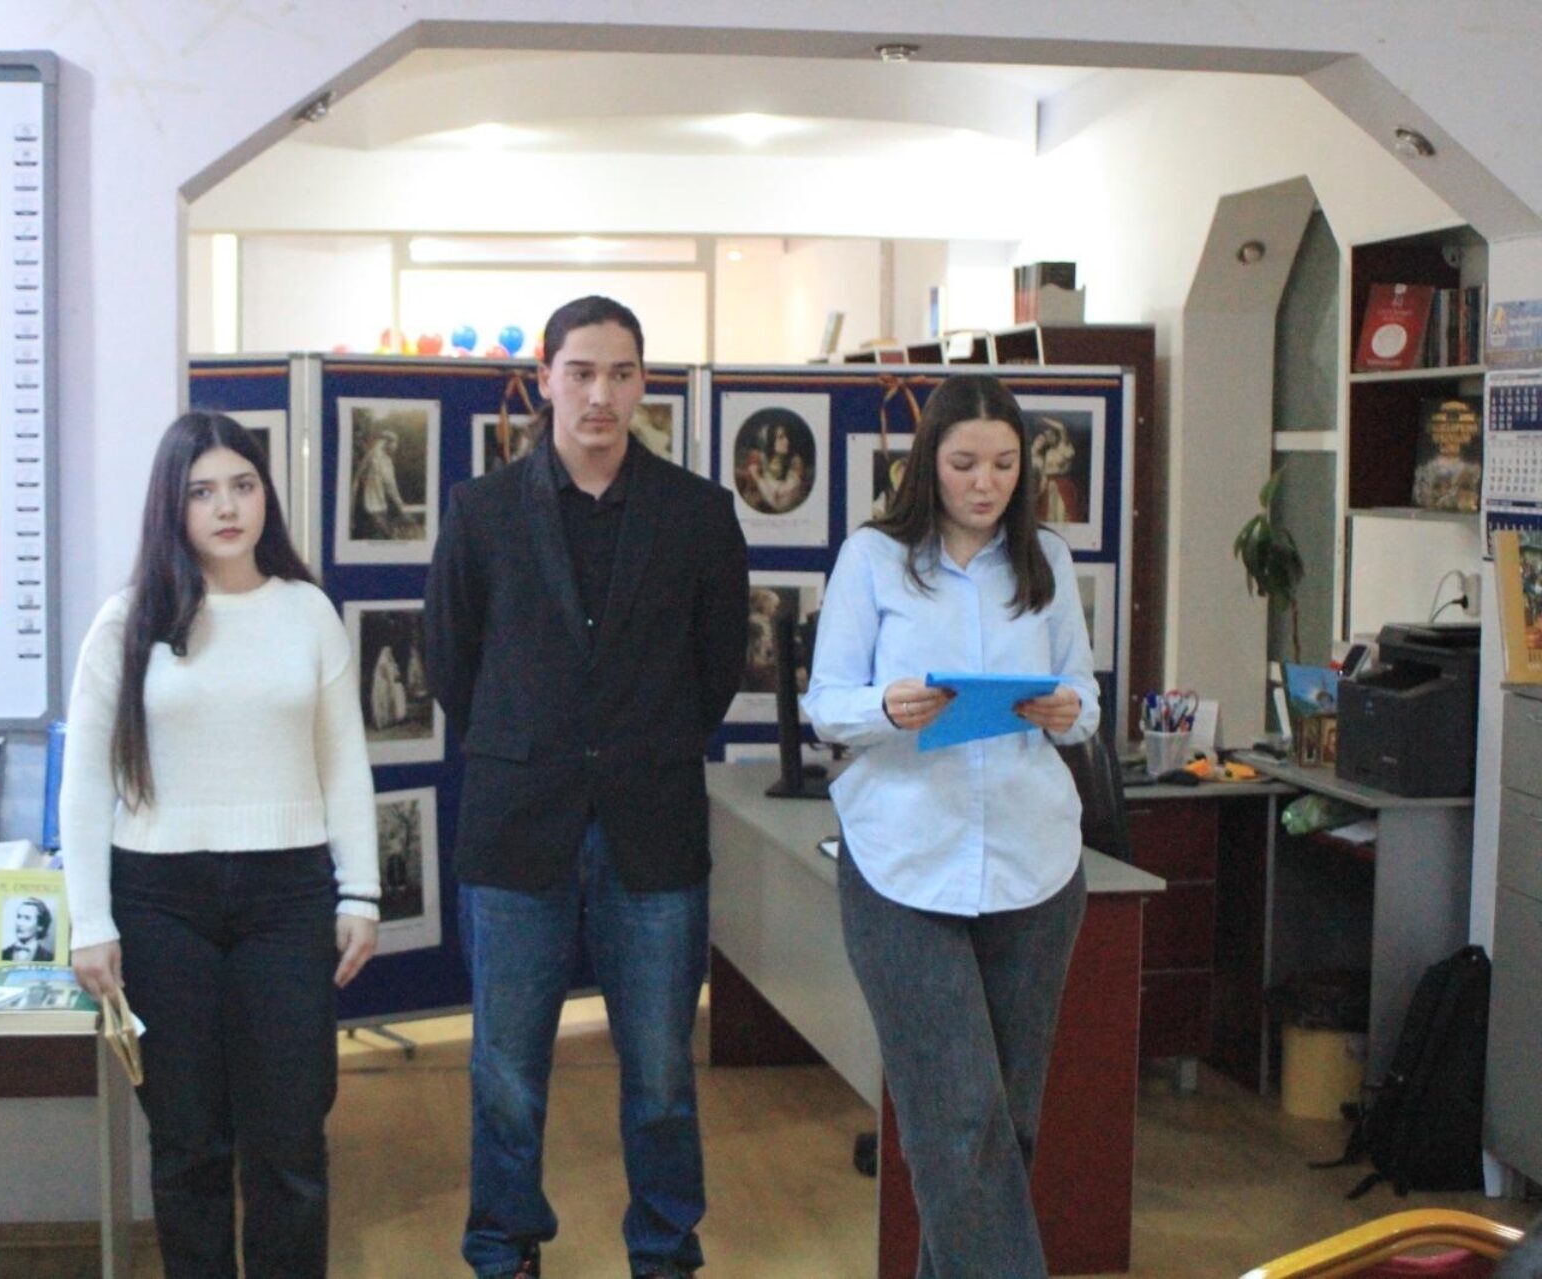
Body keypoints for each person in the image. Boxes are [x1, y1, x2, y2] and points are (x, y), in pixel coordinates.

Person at [426, 295, 749, 1279]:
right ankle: (503, 1248)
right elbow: (450, 660)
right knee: (506, 1070)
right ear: (545, 380)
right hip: (517, 822)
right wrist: (530, 743)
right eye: (580, 372)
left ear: (644, 383)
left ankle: (664, 1250)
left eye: (620, 373)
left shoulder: (698, 513)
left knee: (660, 1072)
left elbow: (718, 666)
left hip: (651, 826)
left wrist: (640, 743)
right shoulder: (482, 511)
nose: (600, 394)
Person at [61, 411, 380, 1279]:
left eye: (243, 485)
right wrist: (90, 920)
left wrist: (361, 891)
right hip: (160, 902)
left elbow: (343, 761)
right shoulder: (127, 621)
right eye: (202, 491)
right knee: (188, 1144)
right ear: (173, 505)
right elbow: (85, 782)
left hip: (288, 899)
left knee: (290, 1142)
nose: (227, 507)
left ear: (265, 494)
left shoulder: (307, 612)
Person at [801, 373, 1099, 1279]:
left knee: (1005, 1124)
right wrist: (887, 706)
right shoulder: (873, 558)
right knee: (958, 1121)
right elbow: (826, 704)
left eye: (1004, 464)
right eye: (966, 463)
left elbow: (1084, 697)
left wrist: (1067, 711)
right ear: (928, 461)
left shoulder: (1046, 560)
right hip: (903, 862)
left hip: (1033, 863)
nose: (986, 483)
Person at [351, 428, 407, 539]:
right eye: (395, 443)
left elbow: (360, 475)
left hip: (372, 501)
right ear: (387, 443)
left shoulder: (375, 455)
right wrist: (400, 504)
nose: (396, 446)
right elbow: (390, 486)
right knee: (381, 533)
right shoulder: (379, 458)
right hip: (371, 502)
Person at [1030, 415, 1085, 524]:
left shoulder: (1063, 447)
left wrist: (1044, 419)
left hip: (1063, 485)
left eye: (1051, 434)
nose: (1049, 437)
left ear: (1056, 435)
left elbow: (1061, 427)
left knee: (1063, 513)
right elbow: (1043, 472)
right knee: (1048, 514)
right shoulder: (1047, 452)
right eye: (1047, 436)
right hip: (1048, 486)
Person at [1, 897, 55, 962]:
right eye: (19, 917)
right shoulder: (3, 954)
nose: (19, 923)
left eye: (27, 918)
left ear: (40, 926)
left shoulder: (49, 958)